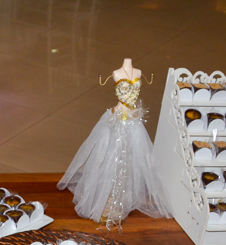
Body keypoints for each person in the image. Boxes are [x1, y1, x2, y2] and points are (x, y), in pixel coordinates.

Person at [58, 59, 171, 229]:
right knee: (109, 158)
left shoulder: (138, 72)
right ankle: (107, 199)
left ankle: (119, 200)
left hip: (133, 122)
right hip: (116, 120)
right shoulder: (117, 73)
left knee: (131, 160)